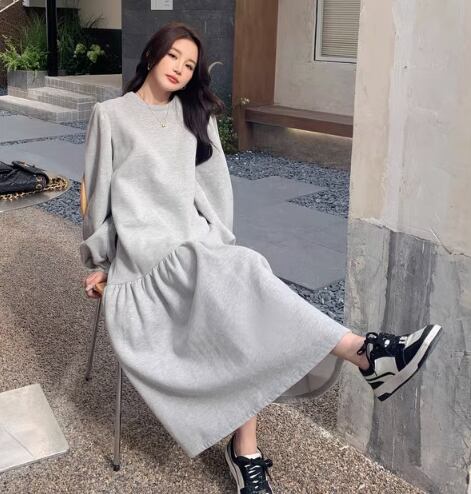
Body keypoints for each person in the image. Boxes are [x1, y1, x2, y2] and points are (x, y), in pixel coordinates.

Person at [80, 21, 442, 494]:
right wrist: (99, 263)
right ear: (151, 56)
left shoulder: (195, 116)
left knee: (242, 282)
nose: (180, 69)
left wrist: (215, 242)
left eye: (189, 65)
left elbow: (215, 195)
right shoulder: (110, 116)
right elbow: (97, 197)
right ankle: (365, 354)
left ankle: (250, 444)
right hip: (146, 260)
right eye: (173, 57)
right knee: (244, 286)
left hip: (197, 251)